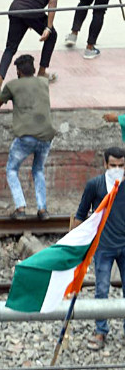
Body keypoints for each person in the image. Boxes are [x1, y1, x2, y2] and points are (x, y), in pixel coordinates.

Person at [0, 54, 57, 220]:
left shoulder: (12, 85)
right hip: (47, 136)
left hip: (26, 137)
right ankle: (43, 210)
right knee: (38, 170)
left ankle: (20, 208)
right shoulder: (44, 82)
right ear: (34, 69)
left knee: (12, 169)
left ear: (18, 71)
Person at [75, 146, 125, 350]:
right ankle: (100, 331)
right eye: (113, 165)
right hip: (103, 247)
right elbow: (80, 215)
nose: (117, 169)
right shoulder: (95, 185)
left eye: (121, 166)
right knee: (102, 290)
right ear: (105, 164)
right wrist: (76, 247)